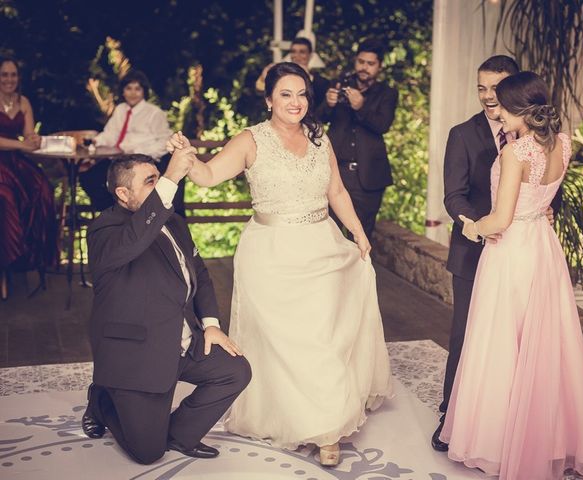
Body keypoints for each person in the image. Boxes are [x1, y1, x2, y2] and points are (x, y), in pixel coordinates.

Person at [168, 62, 392, 467]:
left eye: (302, 93)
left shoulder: (320, 139)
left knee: (322, 338)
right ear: (269, 99)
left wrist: (358, 232)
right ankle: (290, 414)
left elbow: (337, 190)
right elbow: (208, 175)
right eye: (286, 94)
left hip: (322, 246)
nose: (296, 102)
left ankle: (327, 428)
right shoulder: (251, 140)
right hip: (270, 254)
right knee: (282, 343)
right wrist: (188, 159)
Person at [440, 72, 583, 479]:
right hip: (543, 246)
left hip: (512, 250)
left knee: (503, 343)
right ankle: (549, 440)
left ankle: (499, 442)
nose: (495, 110)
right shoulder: (565, 143)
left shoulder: (515, 153)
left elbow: (500, 218)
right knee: (545, 347)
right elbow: (541, 201)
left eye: (499, 104)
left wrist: (471, 225)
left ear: (517, 109)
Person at [81, 152, 251, 465]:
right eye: (151, 181)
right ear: (123, 193)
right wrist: (172, 178)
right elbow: (135, 240)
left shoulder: (173, 221)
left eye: (160, 177)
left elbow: (199, 272)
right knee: (147, 453)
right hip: (138, 354)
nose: (161, 186)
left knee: (235, 371)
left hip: (182, 340)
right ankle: (103, 401)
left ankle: (180, 435)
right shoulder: (104, 231)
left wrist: (211, 324)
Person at [433, 55, 520, 451]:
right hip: (474, 252)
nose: (487, 96)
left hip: (522, 254)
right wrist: (479, 227)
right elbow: (453, 196)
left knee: (514, 338)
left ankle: (509, 419)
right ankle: (451, 414)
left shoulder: (532, 134)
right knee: (466, 334)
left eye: (495, 87)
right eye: (481, 87)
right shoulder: (462, 134)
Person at [316, 38, 398, 240]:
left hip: (368, 177)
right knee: (330, 232)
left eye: (370, 64)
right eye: (361, 62)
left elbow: (383, 125)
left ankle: (359, 272)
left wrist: (362, 107)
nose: (364, 67)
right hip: (337, 172)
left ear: (379, 66)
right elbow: (317, 120)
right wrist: (328, 103)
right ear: (355, 61)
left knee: (362, 234)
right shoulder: (339, 85)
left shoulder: (387, 93)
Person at [79, 70, 180, 214]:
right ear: (123, 91)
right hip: (119, 159)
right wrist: (96, 141)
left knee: (131, 183)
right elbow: (111, 134)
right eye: (128, 88)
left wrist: (139, 151)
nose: (133, 93)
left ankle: (131, 215)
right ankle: (112, 214)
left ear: (144, 91)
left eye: (137, 89)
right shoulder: (120, 110)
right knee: (90, 177)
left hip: (143, 160)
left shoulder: (154, 113)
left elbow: (164, 141)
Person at [0, 57, 57, 300]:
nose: (9, 79)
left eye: (13, 75)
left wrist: (32, 139)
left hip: (17, 161)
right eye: (4, 75)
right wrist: (21, 145)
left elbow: (29, 135)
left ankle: (31, 257)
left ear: (18, 78)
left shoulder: (24, 102)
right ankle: (6, 263)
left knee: (42, 188)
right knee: (6, 196)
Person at [255, 36, 330, 109]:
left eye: (302, 52)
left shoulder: (322, 82)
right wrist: (263, 79)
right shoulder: (281, 78)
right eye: (293, 51)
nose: (297, 56)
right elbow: (261, 98)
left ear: (310, 55)